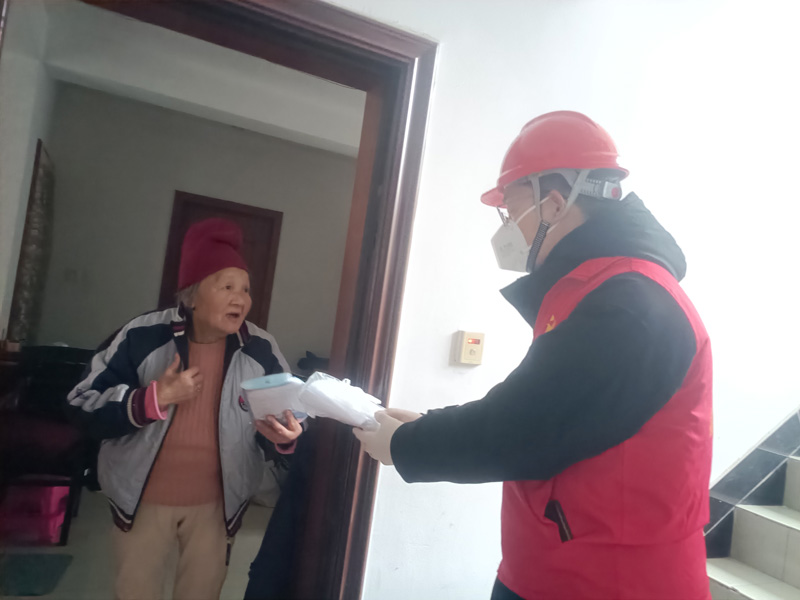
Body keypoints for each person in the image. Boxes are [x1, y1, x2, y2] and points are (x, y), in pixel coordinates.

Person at [354, 111, 712, 600]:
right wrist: (424, 426)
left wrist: (409, 445)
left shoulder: (633, 303)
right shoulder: (597, 288)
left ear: (555, 203)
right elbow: (546, 409)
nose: (506, 227)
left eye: (511, 209)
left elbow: (526, 427)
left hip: (610, 583)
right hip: (557, 568)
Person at [68, 218, 304, 600]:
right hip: (140, 500)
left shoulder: (260, 348)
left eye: (245, 289)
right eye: (227, 287)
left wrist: (286, 438)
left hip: (219, 504)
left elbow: (286, 416)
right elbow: (82, 403)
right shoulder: (142, 335)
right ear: (192, 296)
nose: (240, 299)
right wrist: (152, 399)